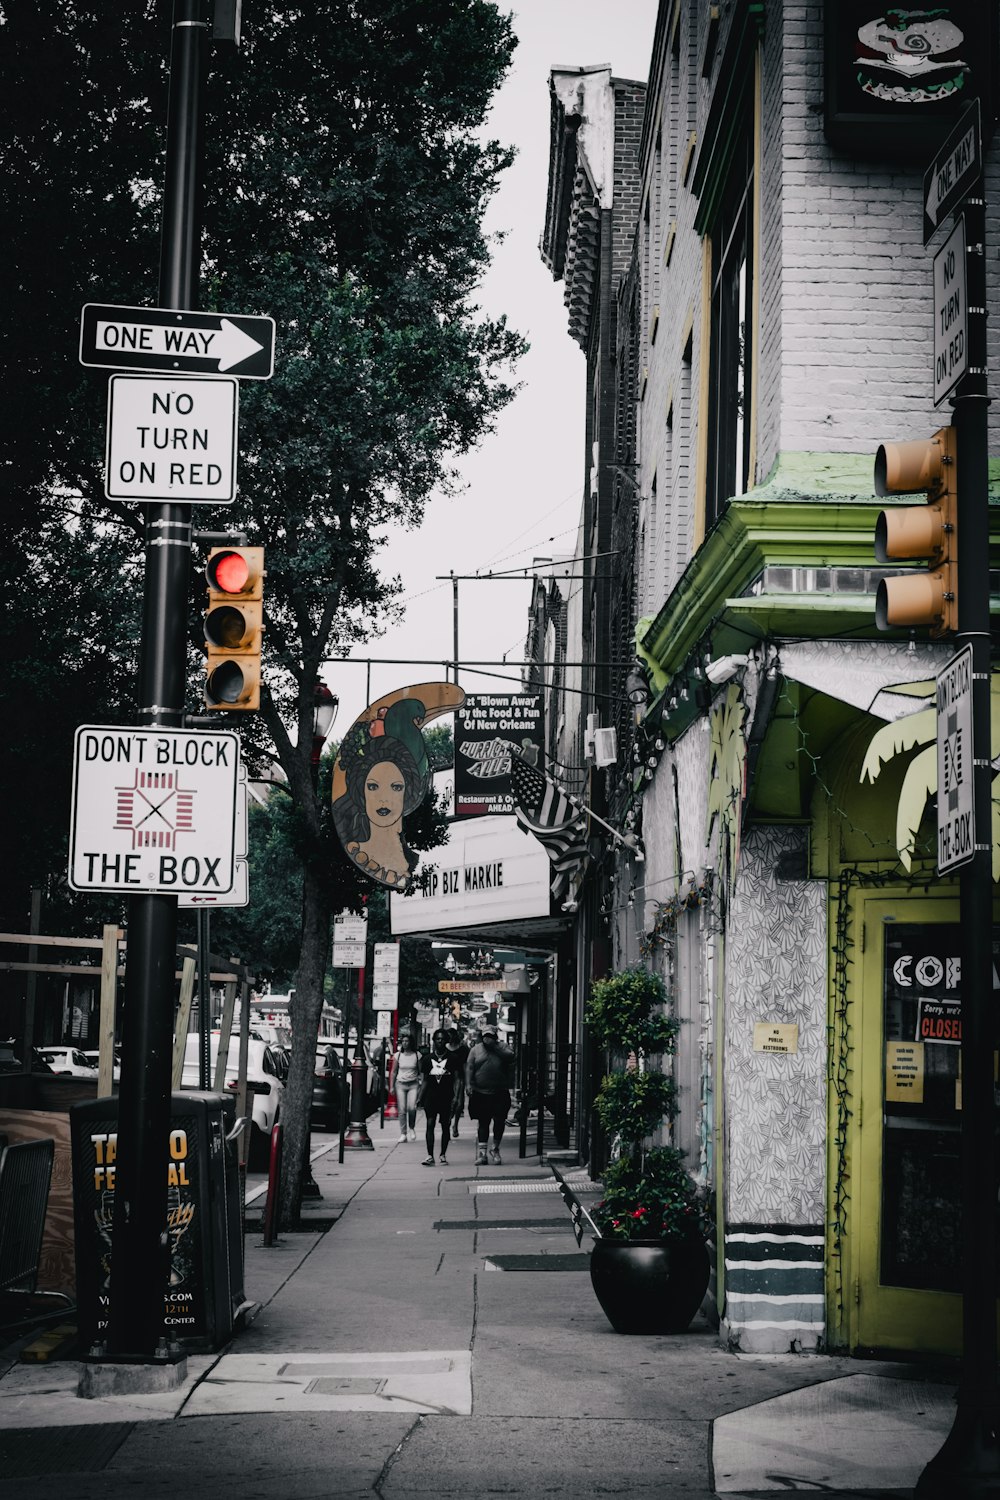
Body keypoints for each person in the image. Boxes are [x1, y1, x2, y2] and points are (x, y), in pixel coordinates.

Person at [465, 1023, 515, 1166]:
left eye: (491, 1036)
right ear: (482, 1036)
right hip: (481, 1092)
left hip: (499, 1091)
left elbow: (511, 1057)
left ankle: (495, 1148)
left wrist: (495, 1047)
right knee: (483, 1122)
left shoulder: (503, 1047)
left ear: (495, 1037)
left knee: (499, 1121)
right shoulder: (475, 1050)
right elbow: (469, 1067)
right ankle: (482, 1154)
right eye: (485, 1036)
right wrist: (468, 1085)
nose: (488, 1039)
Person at [419, 1029, 460, 1166]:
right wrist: (420, 1097)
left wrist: (456, 1097)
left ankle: (442, 1154)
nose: (440, 1041)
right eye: (437, 1039)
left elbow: (457, 1079)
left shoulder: (453, 1058)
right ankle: (430, 1155)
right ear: (434, 1041)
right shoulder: (427, 1059)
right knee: (430, 1124)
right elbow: (425, 1080)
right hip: (431, 1096)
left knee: (445, 1126)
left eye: (442, 1039)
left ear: (446, 1041)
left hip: (446, 1096)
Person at [392, 1033, 420, 1142]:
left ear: (411, 1042)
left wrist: (421, 1085)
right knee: (402, 1109)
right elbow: (394, 1072)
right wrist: (391, 1086)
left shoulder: (417, 1055)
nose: (405, 1043)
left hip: (413, 1084)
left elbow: (421, 1071)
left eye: (407, 1041)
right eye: (403, 1041)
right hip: (401, 1084)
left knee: (411, 1108)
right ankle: (403, 1133)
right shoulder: (398, 1055)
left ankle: (412, 1128)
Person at [445, 1028, 469, 1139]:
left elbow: (466, 1066)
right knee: (449, 1103)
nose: (449, 1038)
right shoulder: (444, 1048)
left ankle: (455, 1125)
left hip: (459, 1078)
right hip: (447, 1078)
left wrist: (468, 1082)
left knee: (459, 1104)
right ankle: (448, 1122)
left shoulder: (463, 1049)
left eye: (450, 1035)